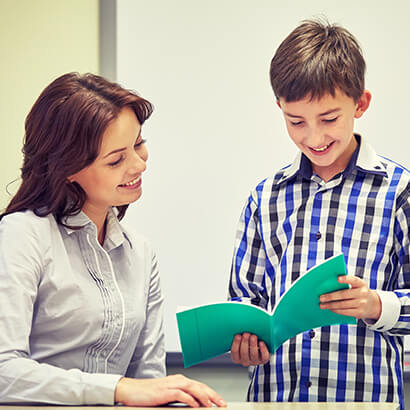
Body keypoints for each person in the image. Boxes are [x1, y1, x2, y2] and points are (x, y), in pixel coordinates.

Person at [0, 72, 226, 408]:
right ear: (67, 169)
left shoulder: (140, 253)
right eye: (116, 159)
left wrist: (176, 397)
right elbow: (4, 372)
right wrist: (116, 389)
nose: (139, 164)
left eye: (138, 143)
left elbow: (149, 380)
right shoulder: (22, 235)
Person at [228, 19, 410, 409]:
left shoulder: (400, 193)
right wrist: (246, 341)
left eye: (329, 119)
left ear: (360, 103)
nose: (313, 137)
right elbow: (245, 302)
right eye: (296, 122)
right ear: (280, 108)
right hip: (274, 398)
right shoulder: (265, 198)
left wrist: (377, 305)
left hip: (366, 400)